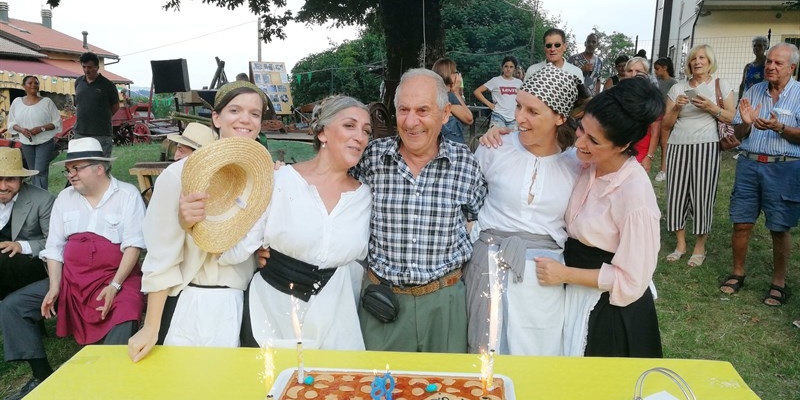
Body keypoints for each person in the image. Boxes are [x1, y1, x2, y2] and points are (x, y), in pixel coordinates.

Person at [127, 80, 269, 362]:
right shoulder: (179, 175)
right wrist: (151, 326)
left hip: (243, 305)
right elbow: (161, 254)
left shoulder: (265, 178)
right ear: (216, 118)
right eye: (235, 110)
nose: (245, 119)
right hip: (191, 304)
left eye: (255, 114)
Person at [352, 68, 487, 353]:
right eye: (404, 110)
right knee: (379, 391)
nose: (412, 122)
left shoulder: (466, 163)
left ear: (445, 113)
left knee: (446, 392)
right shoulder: (370, 158)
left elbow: (480, 217)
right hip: (382, 303)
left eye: (423, 110)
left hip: (445, 303)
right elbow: (329, 188)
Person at [0, 137, 145, 400]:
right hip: (71, 278)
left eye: (76, 168)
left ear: (99, 168)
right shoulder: (65, 198)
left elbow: (134, 245)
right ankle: (41, 375)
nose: (70, 175)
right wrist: (55, 287)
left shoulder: (127, 195)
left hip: (114, 277)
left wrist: (115, 285)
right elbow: (54, 247)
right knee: (13, 306)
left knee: (126, 308)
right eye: (69, 169)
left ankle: (108, 380)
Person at [535, 77, 665, 358]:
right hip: (573, 296)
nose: (579, 142)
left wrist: (565, 274)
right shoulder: (582, 162)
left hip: (608, 313)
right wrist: (500, 137)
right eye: (581, 128)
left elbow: (632, 281)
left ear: (622, 145)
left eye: (593, 140)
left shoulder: (634, 194)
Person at [236, 96, 372, 350]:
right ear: (322, 132)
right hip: (274, 311)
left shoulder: (364, 197)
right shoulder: (281, 181)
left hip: (336, 319)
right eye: (349, 126)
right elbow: (241, 242)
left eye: (366, 131)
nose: (360, 137)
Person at [466, 65, 582, 356]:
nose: (519, 117)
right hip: (489, 267)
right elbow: (467, 202)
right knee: (485, 354)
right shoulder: (495, 147)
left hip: (543, 278)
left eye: (533, 111)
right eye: (518, 106)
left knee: (540, 353)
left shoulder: (576, 165)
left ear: (559, 117)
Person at [720, 43, 800, 306]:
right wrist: (745, 122)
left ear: (792, 67)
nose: (770, 66)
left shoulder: (799, 94)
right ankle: (737, 273)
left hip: (784, 167)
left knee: (779, 227)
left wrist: (780, 127)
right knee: (741, 222)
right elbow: (739, 135)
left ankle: (778, 283)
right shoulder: (753, 91)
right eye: (769, 62)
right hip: (749, 165)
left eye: (778, 63)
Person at [662, 44, 735, 267]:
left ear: (710, 61)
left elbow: (731, 117)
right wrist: (676, 108)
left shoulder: (720, 84)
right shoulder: (678, 88)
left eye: (702, 58)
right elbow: (666, 124)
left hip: (707, 144)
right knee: (676, 194)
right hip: (678, 145)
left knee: (703, 195)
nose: (697, 62)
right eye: (693, 58)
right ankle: (681, 244)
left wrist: (712, 107)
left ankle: (700, 246)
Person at [0, 148, 55, 299]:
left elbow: (55, 243)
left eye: (10, 179)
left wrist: (21, 246)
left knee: (4, 260)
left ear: (21, 179)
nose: (3, 187)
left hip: (30, 261)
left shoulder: (43, 200)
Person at [6, 76, 62, 189]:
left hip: (45, 142)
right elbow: (11, 123)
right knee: (32, 171)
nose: (33, 85)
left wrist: (41, 128)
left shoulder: (47, 102)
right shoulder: (17, 102)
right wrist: (22, 130)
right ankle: (36, 196)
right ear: (23, 86)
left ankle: (41, 197)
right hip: (26, 143)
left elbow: (57, 123)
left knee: (40, 171)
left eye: (36, 83)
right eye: (30, 83)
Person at [73, 52, 120, 158]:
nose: (86, 70)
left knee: (102, 166)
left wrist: (101, 117)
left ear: (97, 67)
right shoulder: (78, 82)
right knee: (82, 165)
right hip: (81, 132)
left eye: (89, 67)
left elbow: (115, 106)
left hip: (101, 133)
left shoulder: (108, 85)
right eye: (84, 67)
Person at [624, 57, 662, 173]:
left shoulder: (653, 98)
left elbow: (655, 133)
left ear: (645, 74)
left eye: (638, 71)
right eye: (630, 71)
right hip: (619, 153)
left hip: (641, 153)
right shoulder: (618, 95)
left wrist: (649, 157)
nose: (633, 74)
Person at [473, 56, 523, 130]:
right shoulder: (495, 80)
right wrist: (489, 104)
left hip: (513, 118)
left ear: (514, 69)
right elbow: (477, 92)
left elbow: (523, 98)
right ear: (502, 67)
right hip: (498, 115)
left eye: (511, 67)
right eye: (506, 66)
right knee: (497, 140)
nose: (508, 69)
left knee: (511, 140)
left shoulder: (519, 83)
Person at [432, 58, 473, 144]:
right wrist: (456, 92)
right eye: (456, 72)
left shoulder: (435, 95)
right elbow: (469, 119)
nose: (458, 76)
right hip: (453, 148)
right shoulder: (449, 97)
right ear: (449, 74)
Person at [653, 57, 678, 182]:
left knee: (664, 143)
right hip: (656, 115)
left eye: (657, 69)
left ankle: (664, 170)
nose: (655, 72)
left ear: (665, 68)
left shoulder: (673, 83)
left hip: (667, 117)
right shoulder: (656, 81)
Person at [738, 36, 769, 102]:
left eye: (760, 45)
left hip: (763, 99)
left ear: (765, 47)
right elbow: (742, 85)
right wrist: (739, 100)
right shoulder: (748, 67)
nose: (756, 48)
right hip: (749, 99)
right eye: (754, 46)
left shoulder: (768, 64)